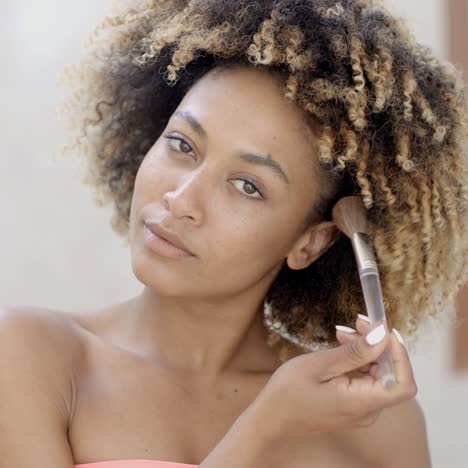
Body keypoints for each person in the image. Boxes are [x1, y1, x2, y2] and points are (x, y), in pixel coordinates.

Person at [2, 0, 467, 466]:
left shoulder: (377, 423)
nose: (181, 200)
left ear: (311, 243)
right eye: (182, 144)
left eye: (247, 186)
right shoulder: (30, 355)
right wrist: (265, 427)